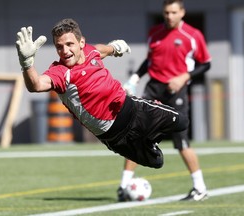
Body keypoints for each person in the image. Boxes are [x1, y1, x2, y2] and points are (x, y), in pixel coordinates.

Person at [16, 18, 189, 173]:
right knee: (157, 162)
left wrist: (115, 47)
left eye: (69, 44)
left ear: (81, 43)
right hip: (114, 137)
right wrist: (26, 63)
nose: (65, 51)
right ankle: (151, 138)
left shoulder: (91, 51)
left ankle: (151, 131)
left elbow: (100, 50)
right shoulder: (60, 72)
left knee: (182, 122)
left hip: (134, 110)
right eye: (59, 47)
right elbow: (36, 85)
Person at [118, 0, 211, 202]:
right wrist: (135, 78)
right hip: (153, 89)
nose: (169, 16)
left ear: (182, 13)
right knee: (135, 135)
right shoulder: (154, 32)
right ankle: (123, 187)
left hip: (175, 91)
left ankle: (200, 188)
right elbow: (150, 60)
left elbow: (206, 64)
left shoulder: (193, 36)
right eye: (166, 12)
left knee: (181, 141)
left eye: (173, 12)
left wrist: (183, 77)